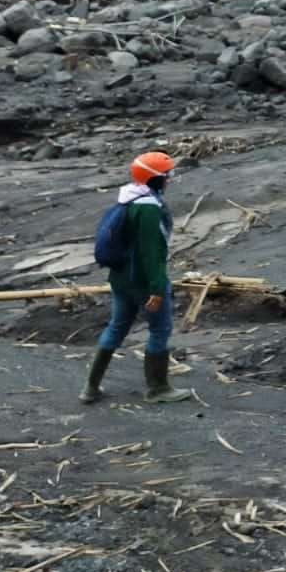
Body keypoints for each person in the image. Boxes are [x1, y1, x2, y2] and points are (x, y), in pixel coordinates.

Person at [80, 151, 191, 405]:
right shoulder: (149, 208)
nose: (169, 179)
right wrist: (156, 288)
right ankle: (158, 388)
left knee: (117, 327)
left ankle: (90, 388)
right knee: (160, 329)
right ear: (155, 179)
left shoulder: (127, 198)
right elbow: (151, 253)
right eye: (167, 175)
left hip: (120, 279)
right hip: (143, 281)